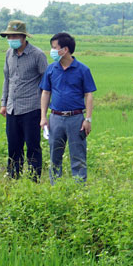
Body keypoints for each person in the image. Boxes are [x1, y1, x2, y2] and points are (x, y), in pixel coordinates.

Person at [40, 32, 97, 183]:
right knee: (54, 156)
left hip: (76, 118)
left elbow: (89, 95)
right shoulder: (51, 69)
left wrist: (88, 119)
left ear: (65, 50)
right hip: (56, 118)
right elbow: (46, 93)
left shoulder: (82, 70)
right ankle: (55, 188)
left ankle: (78, 190)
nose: (52, 51)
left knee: (78, 156)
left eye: (54, 47)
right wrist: (43, 117)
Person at [0, 20, 48, 180]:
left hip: (32, 108)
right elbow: (7, 79)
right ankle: (13, 177)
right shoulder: (9, 54)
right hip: (12, 108)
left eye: (14, 36)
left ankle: (34, 180)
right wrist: (3, 103)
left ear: (23, 37)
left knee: (33, 146)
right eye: (9, 36)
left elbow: (47, 83)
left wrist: (44, 109)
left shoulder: (37, 55)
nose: (11, 39)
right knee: (13, 146)